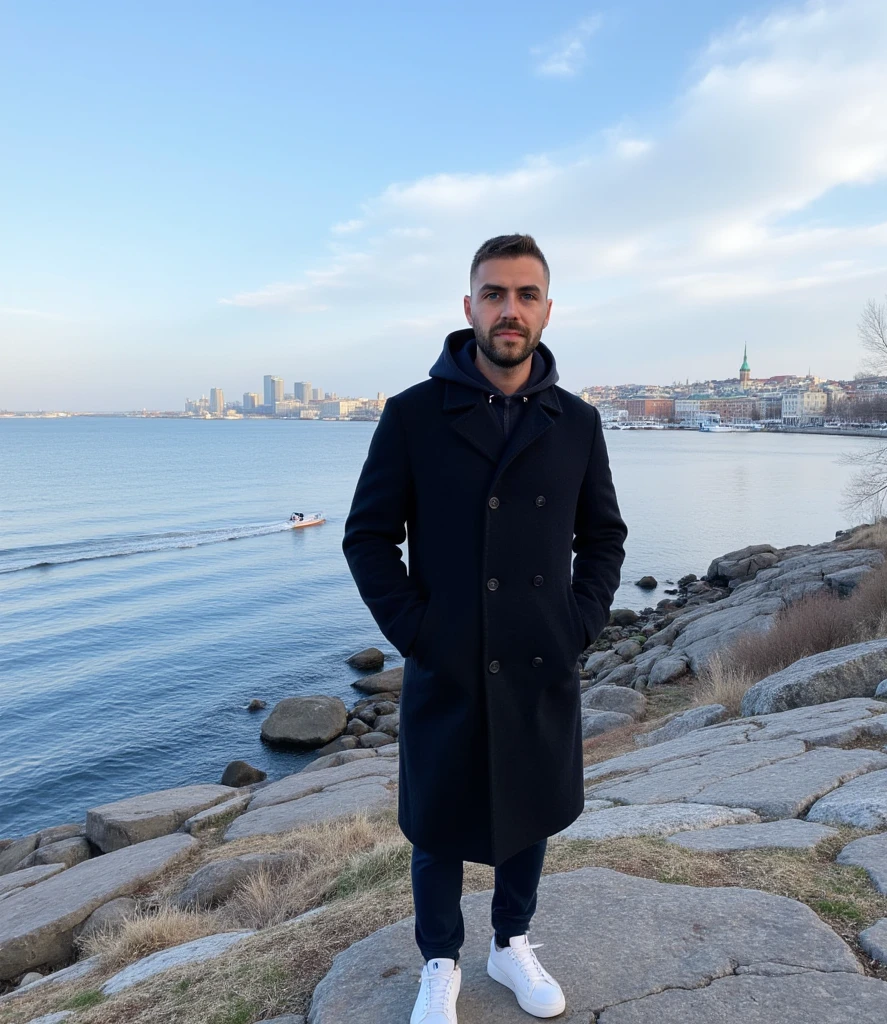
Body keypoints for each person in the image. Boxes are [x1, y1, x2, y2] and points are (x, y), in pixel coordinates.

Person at [343, 234, 627, 1022]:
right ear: (468, 307)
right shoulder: (412, 416)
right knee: (436, 821)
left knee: (530, 806)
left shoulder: (577, 422)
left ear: (545, 309)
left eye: (525, 294)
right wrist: (417, 632)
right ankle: (440, 960)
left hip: (540, 654)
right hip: (449, 656)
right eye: (494, 294)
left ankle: (510, 944)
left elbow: (603, 536)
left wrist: (578, 622)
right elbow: (368, 537)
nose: (510, 310)